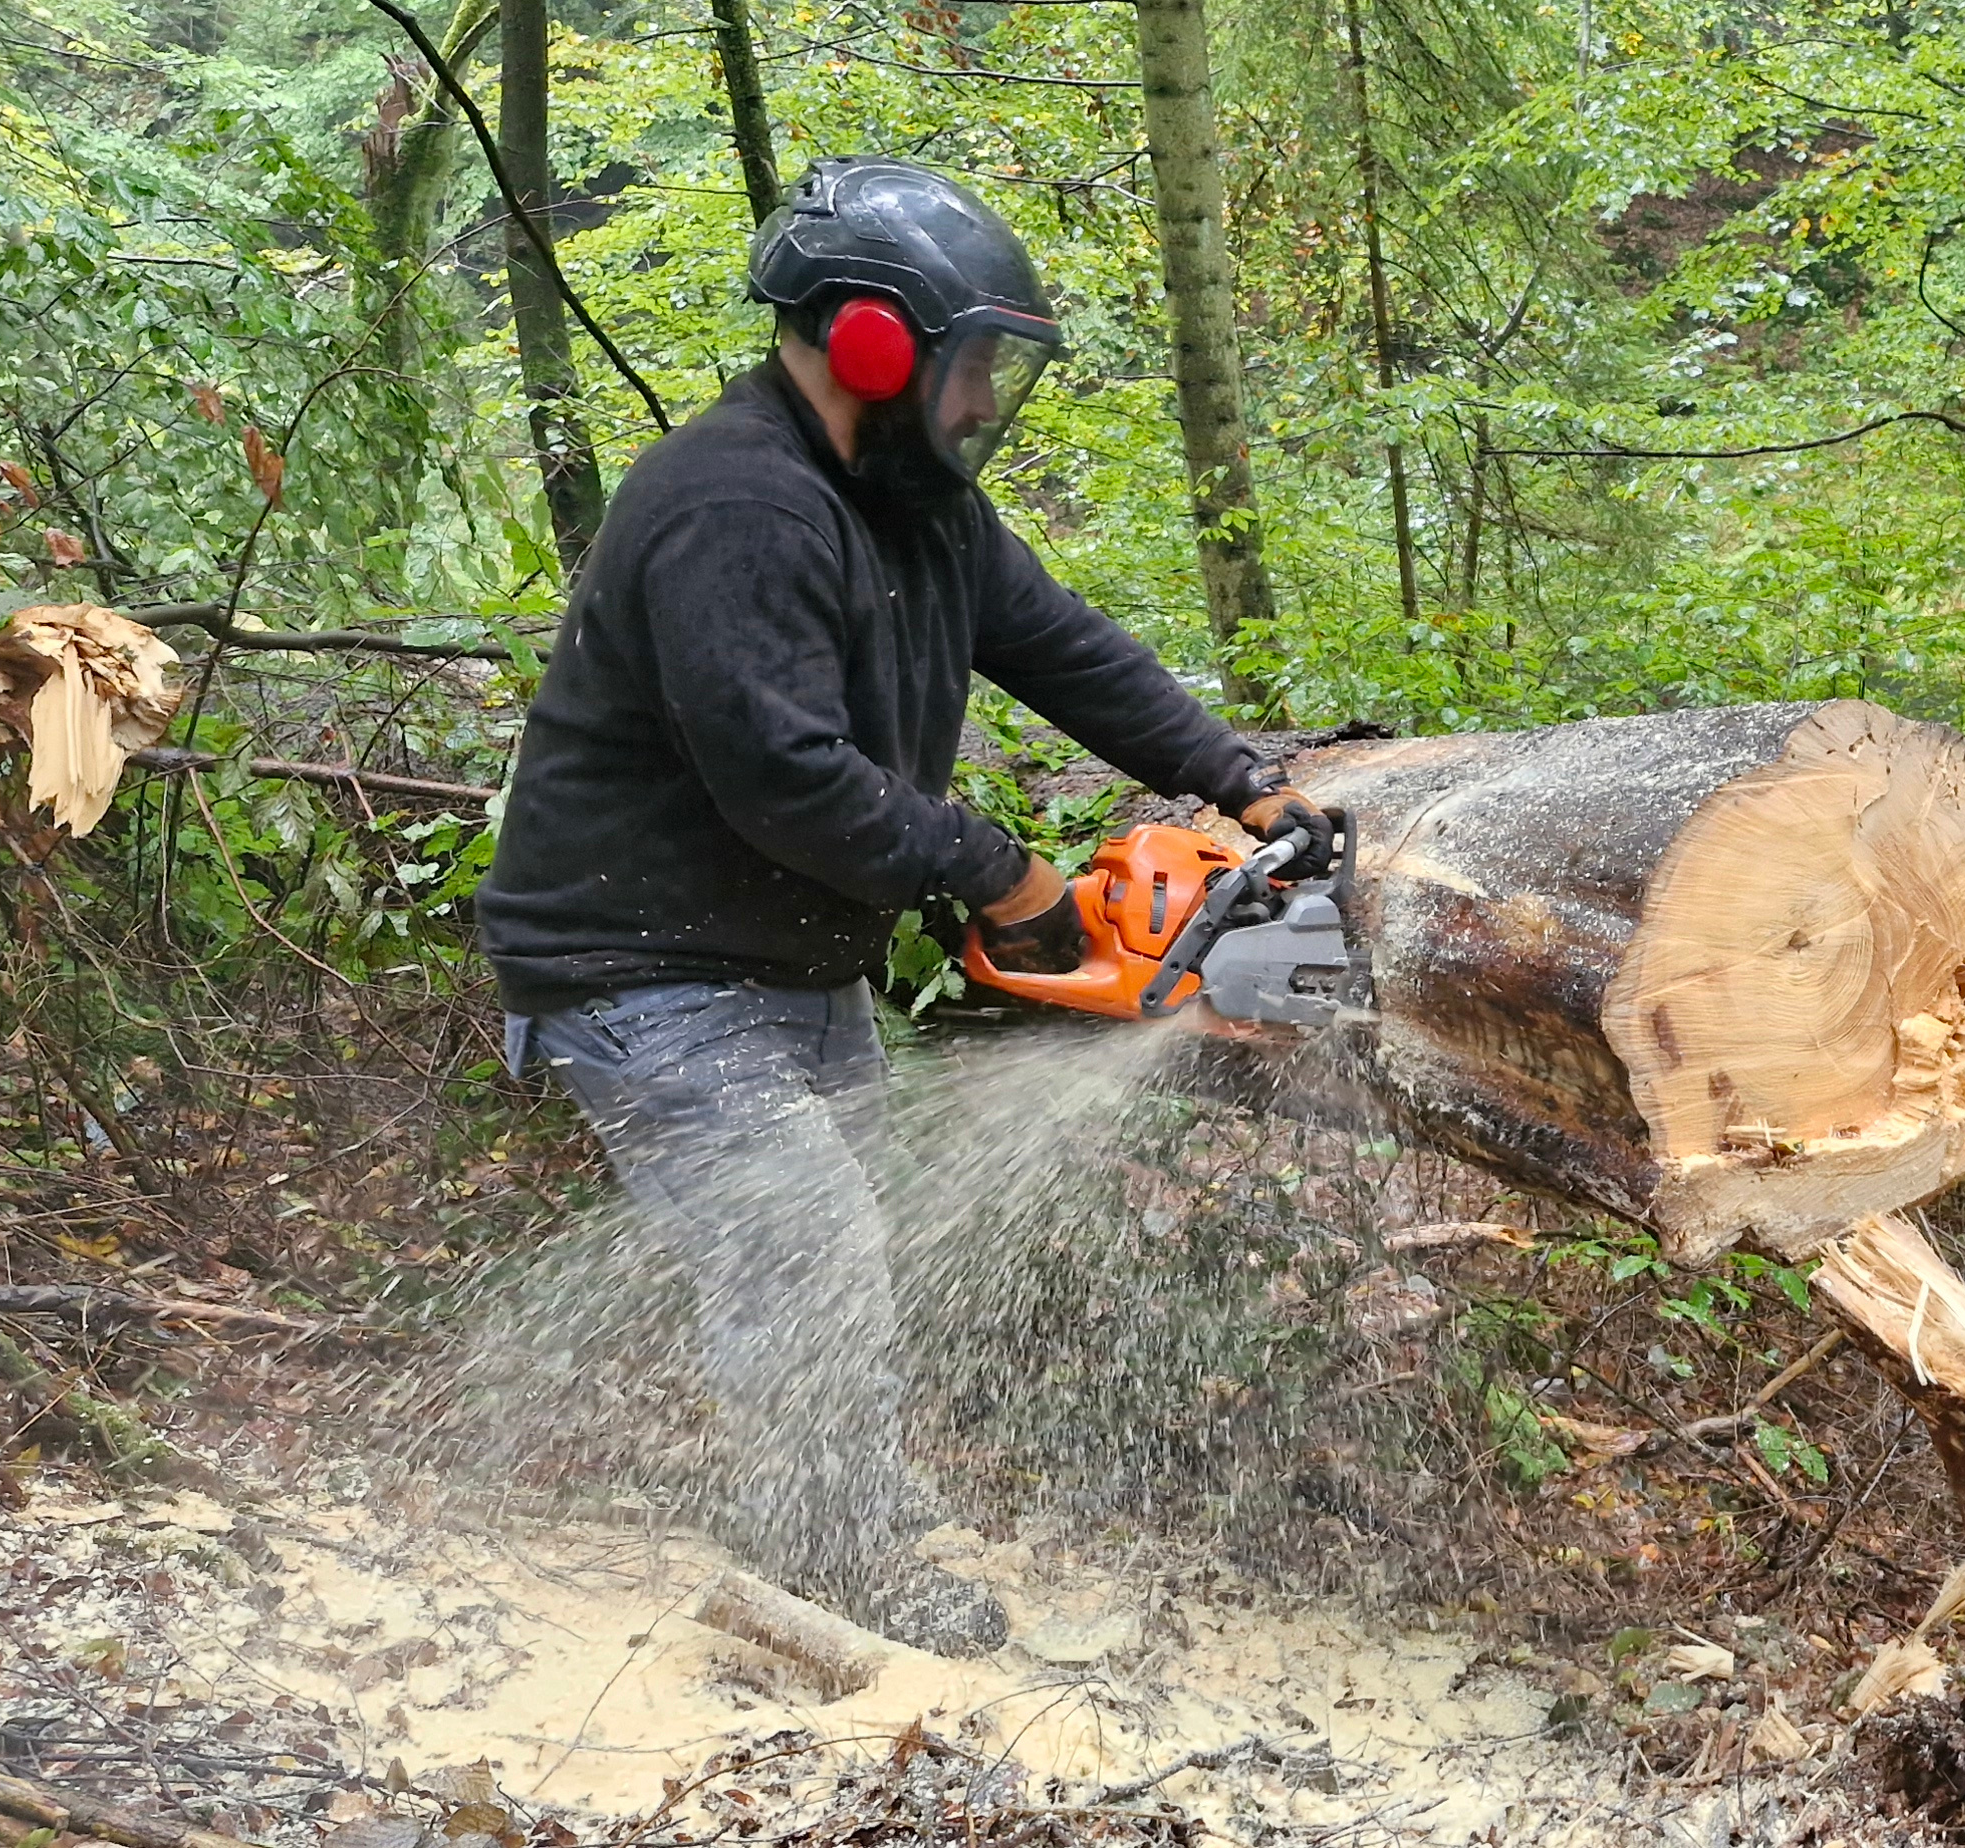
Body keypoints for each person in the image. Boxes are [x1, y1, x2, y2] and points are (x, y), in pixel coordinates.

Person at [475, 157, 1332, 1652]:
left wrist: (1239, 782)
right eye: (975, 362)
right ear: (874, 341)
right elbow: (787, 776)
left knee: (832, 1266)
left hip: (792, 964)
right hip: (643, 972)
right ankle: (837, 1574)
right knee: (808, 1266)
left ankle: (821, 1524)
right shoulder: (735, 504)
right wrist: (1006, 877)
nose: (987, 396)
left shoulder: (915, 502)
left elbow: (1062, 646)